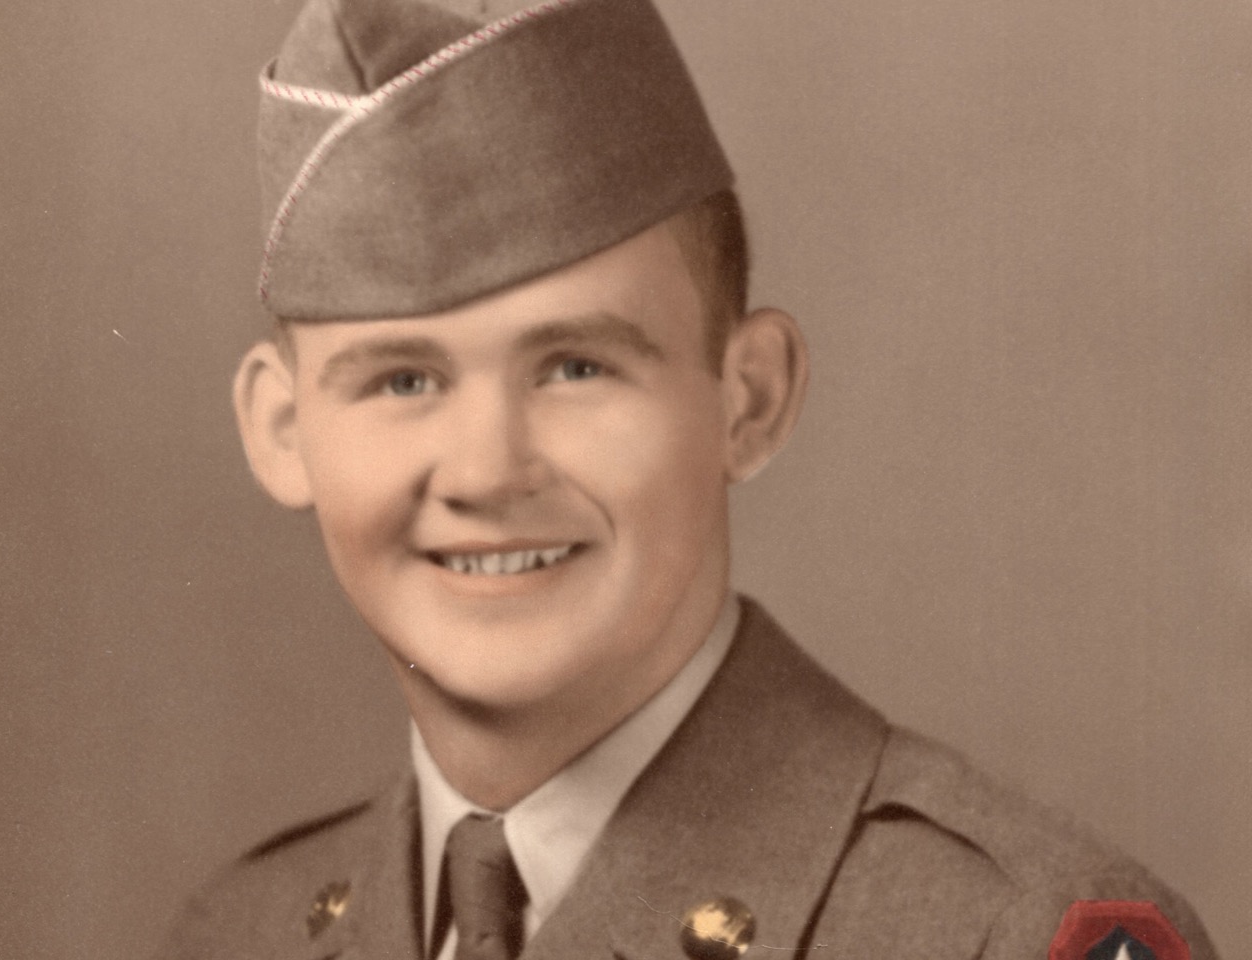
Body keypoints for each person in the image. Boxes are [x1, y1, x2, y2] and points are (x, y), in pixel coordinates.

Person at [164, 1, 1219, 958]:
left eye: (576, 367)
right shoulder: (236, 936)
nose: (487, 472)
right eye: (403, 380)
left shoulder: (1005, 933)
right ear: (283, 430)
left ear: (747, 401)